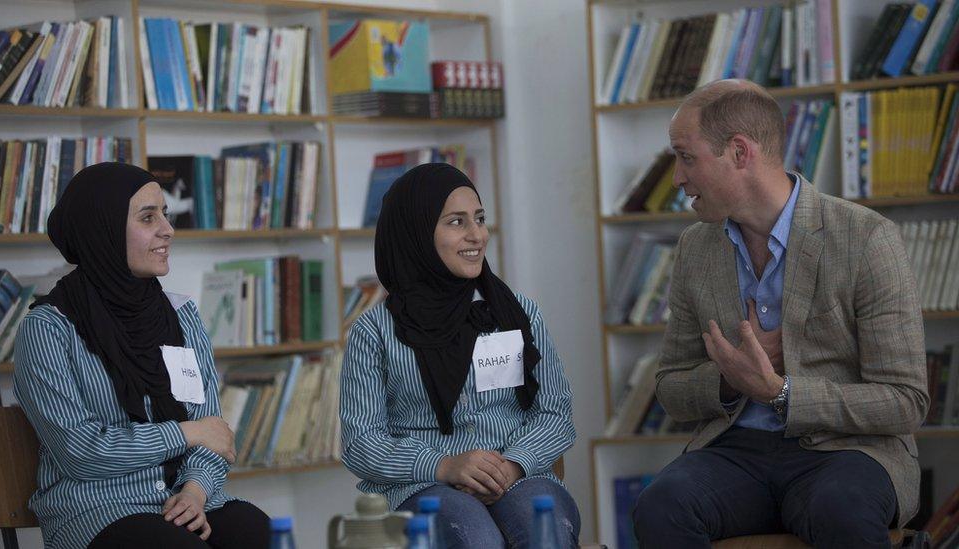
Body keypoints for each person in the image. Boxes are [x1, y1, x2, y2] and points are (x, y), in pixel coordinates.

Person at [632, 79, 929, 548]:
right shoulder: (695, 248)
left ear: (738, 152)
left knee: (841, 509)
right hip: (736, 453)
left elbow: (906, 400)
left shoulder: (867, 238)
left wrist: (781, 391)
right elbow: (671, 387)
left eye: (686, 157)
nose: (677, 179)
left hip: (846, 451)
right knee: (660, 505)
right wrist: (733, 379)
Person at [12, 162, 271, 549]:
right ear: (103, 230)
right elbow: (81, 453)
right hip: (99, 510)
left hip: (187, 499)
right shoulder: (48, 330)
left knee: (259, 532)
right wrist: (183, 433)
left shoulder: (182, 316)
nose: (167, 229)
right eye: (147, 218)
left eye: (164, 215)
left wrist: (195, 493)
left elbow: (212, 434)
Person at [340, 163, 581, 548]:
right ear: (416, 234)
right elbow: (361, 443)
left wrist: (512, 464)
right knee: (475, 538)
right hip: (424, 486)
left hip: (520, 477)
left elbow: (555, 413)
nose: (477, 235)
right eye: (456, 222)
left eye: (480, 219)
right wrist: (444, 465)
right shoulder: (375, 333)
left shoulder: (519, 314)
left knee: (543, 529)